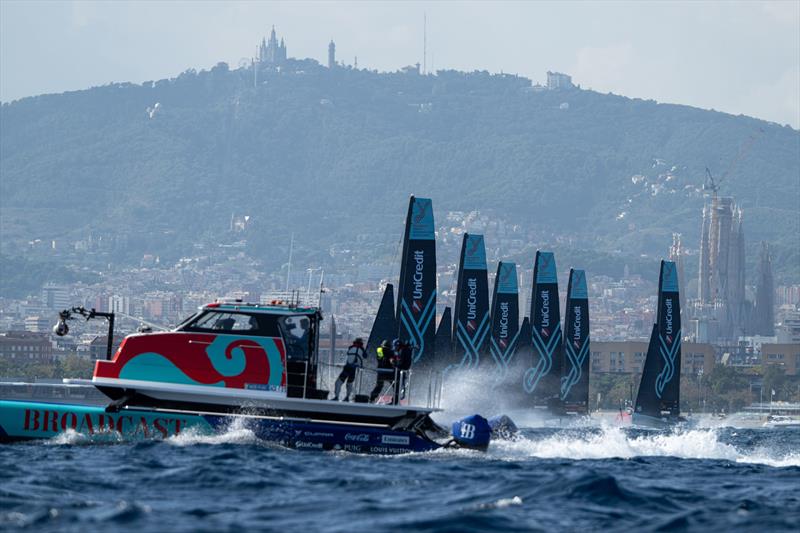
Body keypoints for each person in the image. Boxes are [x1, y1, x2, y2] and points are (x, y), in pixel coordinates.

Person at [391, 339, 414, 404]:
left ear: (398, 346)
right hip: (403, 370)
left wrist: (393, 363)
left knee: (398, 386)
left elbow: (400, 363)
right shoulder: (406, 349)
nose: (395, 348)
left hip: (401, 370)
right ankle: (397, 400)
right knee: (400, 385)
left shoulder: (402, 351)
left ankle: (395, 401)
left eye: (395, 346)